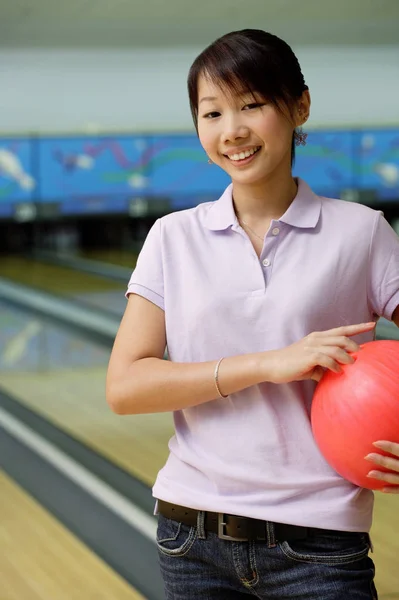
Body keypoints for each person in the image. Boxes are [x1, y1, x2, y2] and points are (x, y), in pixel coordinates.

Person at [106, 29, 399, 599]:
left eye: (251, 105)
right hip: (190, 536)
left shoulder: (361, 232)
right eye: (211, 112)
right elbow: (124, 386)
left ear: (299, 106)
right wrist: (269, 363)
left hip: (318, 544)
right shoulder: (173, 237)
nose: (231, 130)